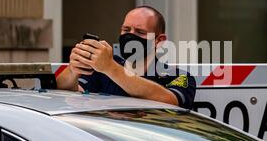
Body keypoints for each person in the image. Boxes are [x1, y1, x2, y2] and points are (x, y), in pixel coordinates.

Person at [56, 6, 196, 109]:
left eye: (140, 32)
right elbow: (65, 94)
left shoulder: (179, 77)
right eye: (126, 30)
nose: (130, 36)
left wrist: (110, 68)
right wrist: (73, 70)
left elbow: (170, 101)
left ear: (159, 40)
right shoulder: (101, 69)